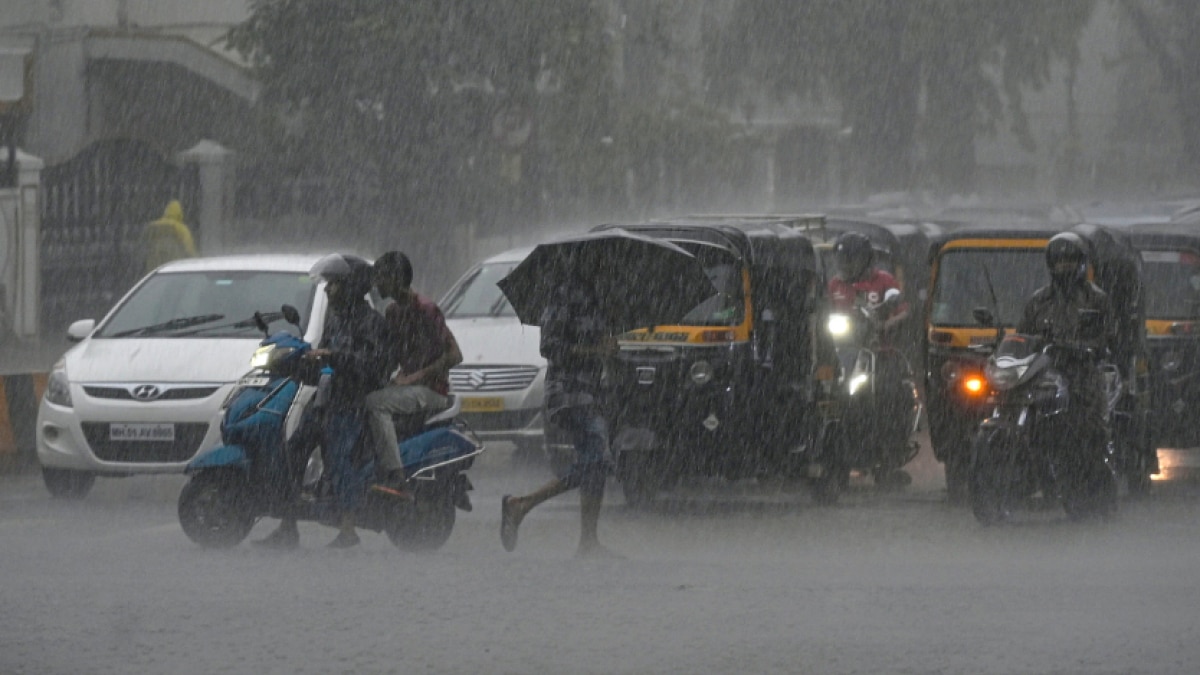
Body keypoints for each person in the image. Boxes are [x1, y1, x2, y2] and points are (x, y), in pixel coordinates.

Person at [254, 253, 392, 549]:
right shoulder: (335, 319)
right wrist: (299, 364)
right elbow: (324, 364)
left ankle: (348, 528)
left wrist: (335, 359)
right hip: (326, 400)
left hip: (353, 403)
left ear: (352, 287)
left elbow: (373, 366)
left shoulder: (371, 322)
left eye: (334, 285)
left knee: (340, 461)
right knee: (293, 453)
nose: (328, 290)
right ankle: (287, 525)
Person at [500, 272, 619, 558]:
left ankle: (588, 542)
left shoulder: (599, 293)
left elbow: (598, 344)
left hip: (590, 392)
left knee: (593, 464)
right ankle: (521, 504)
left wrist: (608, 348)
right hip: (568, 392)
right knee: (597, 460)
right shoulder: (565, 292)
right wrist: (594, 349)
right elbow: (550, 347)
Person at [366, 251, 463, 497]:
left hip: (432, 390)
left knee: (375, 404)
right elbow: (391, 355)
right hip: (407, 388)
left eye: (382, 278)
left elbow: (454, 356)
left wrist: (414, 377)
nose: (377, 284)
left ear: (398, 278)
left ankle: (397, 476)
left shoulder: (426, 309)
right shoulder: (392, 313)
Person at [827, 230, 914, 485]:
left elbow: (903, 311)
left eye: (850, 261)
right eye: (841, 261)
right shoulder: (835, 285)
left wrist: (885, 325)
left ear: (865, 260)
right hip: (844, 353)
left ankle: (888, 457)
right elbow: (827, 314)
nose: (845, 267)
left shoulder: (884, 281)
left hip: (880, 355)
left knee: (889, 397)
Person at [1017, 231, 1115, 450]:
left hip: (1082, 373)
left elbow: (1107, 337)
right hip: (1045, 373)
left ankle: (1097, 466)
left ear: (1081, 263)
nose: (1064, 266)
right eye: (1059, 261)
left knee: (1093, 428)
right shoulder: (1038, 300)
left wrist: (1083, 349)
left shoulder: (1096, 299)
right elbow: (1023, 335)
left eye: (1070, 260)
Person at [141, 199, 196, 275]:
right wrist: (195, 260)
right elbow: (189, 248)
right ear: (180, 213)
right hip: (174, 267)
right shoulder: (180, 228)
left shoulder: (153, 226)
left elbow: (145, 244)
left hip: (154, 268)